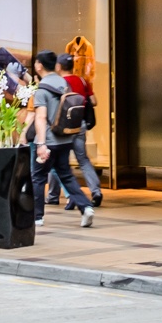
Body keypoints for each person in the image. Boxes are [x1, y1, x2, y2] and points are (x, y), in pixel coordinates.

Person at [30, 51, 95, 227]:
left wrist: (41, 144)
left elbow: (41, 117)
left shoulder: (42, 89)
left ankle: (37, 217)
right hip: (65, 138)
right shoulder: (64, 84)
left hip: (49, 140)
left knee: (37, 177)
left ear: (39, 66)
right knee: (66, 175)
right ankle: (86, 206)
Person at [56, 52, 103, 207]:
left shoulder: (58, 83)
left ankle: (57, 195)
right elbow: (94, 101)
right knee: (83, 160)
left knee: (58, 160)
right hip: (80, 125)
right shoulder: (83, 81)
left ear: (59, 66)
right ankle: (96, 191)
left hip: (64, 128)